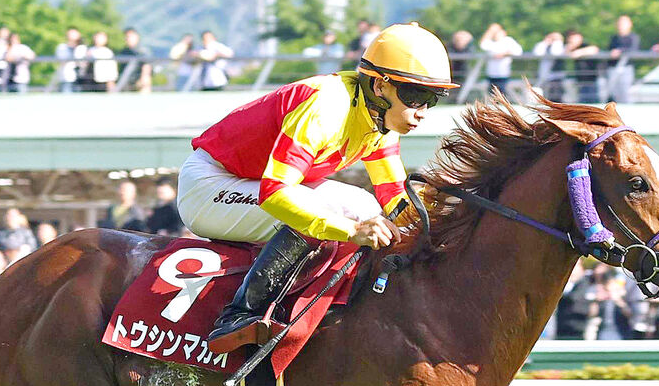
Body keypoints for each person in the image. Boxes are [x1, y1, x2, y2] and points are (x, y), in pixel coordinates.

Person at [179, 23, 457, 353]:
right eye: (415, 96)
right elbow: (276, 193)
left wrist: (449, 211)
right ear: (380, 86)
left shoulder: (381, 121)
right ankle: (239, 315)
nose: (421, 112)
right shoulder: (326, 106)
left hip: (252, 180)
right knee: (337, 215)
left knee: (367, 209)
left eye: (432, 100)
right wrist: (352, 231)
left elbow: (395, 201)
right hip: (210, 185)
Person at [479, 23, 521, 96]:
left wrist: (504, 54)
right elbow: (483, 44)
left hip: (503, 73)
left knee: (502, 93)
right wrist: (490, 31)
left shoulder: (508, 41)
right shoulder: (491, 43)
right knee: (492, 94)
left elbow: (518, 51)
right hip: (491, 73)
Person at [606, 15, 639, 103]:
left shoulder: (633, 37)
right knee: (613, 93)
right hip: (613, 68)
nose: (621, 25)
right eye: (619, 23)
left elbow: (633, 49)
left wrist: (619, 51)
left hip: (626, 68)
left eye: (623, 23)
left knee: (625, 93)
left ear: (630, 24)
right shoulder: (614, 38)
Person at [118, 28, 153, 93]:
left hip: (138, 83)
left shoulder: (143, 51)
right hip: (124, 84)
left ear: (137, 37)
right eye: (127, 37)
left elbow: (147, 66)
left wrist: (144, 79)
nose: (128, 39)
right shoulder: (124, 52)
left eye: (131, 36)